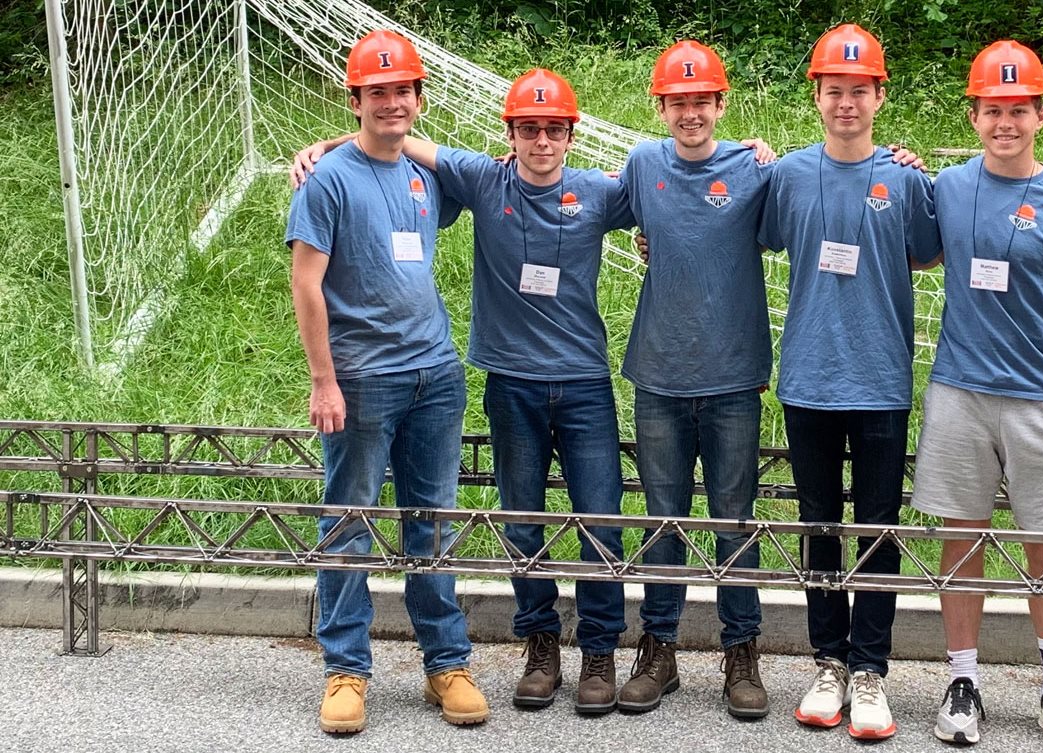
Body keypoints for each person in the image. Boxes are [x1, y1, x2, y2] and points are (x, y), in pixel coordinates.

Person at [293, 67, 637, 716]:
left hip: (550, 381)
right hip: (473, 382)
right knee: (501, 524)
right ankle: (523, 649)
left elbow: (673, 189)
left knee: (589, 523)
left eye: (553, 129)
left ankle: (584, 653)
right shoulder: (478, 179)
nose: (541, 140)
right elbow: (388, 141)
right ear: (509, 135)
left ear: (571, 134)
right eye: (529, 129)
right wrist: (330, 144)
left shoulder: (593, 191)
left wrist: (745, 153)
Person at [911, 40, 1043, 751]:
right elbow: (917, 250)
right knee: (961, 540)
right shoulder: (946, 187)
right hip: (959, 392)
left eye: (1019, 110)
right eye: (993, 110)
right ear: (973, 117)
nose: (1006, 123)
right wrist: (899, 170)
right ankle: (962, 681)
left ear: (1041, 115)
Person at [285, 29, 487, 735]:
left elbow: (472, 170)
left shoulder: (425, 177)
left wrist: (346, 136)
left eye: (402, 90)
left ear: (418, 98)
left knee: (432, 522)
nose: (392, 102)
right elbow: (306, 284)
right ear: (356, 98)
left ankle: (447, 664)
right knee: (350, 521)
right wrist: (324, 381)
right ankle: (346, 670)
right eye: (377, 92)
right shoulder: (327, 181)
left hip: (436, 374)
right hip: (364, 378)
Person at [757, 23, 941, 741]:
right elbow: (750, 228)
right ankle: (828, 660)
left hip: (880, 378)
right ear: (817, 95)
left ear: (879, 97)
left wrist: (911, 170)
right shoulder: (787, 175)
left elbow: (925, 254)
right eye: (834, 90)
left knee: (877, 527)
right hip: (808, 377)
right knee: (820, 526)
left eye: (859, 91)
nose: (846, 103)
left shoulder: (907, 180)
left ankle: (870, 669)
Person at [614, 40, 774, 720]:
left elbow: (825, 184)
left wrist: (900, 161)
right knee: (664, 521)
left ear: (720, 104)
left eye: (701, 101)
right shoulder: (642, 163)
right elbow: (571, 191)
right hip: (659, 372)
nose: (690, 113)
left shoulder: (754, 169)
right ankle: (659, 649)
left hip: (734, 375)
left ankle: (741, 652)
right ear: (661, 106)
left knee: (734, 522)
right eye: (678, 102)